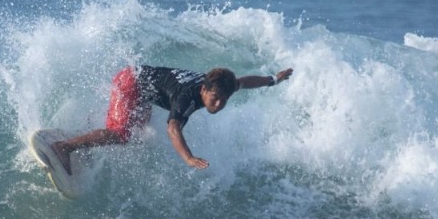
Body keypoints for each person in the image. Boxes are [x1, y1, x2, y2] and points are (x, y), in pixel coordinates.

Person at [50, 65, 294, 174]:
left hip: (142, 86)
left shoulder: (220, 85)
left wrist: (273, 79)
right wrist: (188, 157)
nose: (218, 105)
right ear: (203, 90)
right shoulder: (187, 99)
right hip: (130, 84)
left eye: (224, 100)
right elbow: (173, 128)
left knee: (136, 131)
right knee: (121, 134)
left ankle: (84, 135)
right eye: (214, 98)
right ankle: (65, 147)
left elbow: (243, 82)